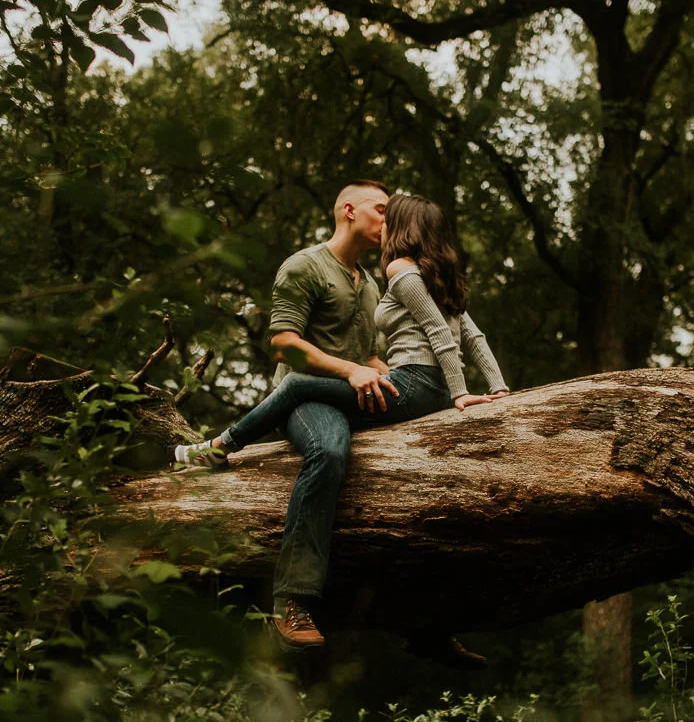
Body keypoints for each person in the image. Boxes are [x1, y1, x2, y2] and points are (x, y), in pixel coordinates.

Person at [175, 190, 509, 650]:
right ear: (350, 211)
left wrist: (397, 382)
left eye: (393, 213)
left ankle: (421, 616)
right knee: (330, 451)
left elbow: (377, 354)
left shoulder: (374, 283)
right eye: (381, 209)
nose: (388, 219)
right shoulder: (306, 266)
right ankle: (292, 600)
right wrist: (353, 371)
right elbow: (284, 346)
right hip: (306, 398)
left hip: (359, 395)